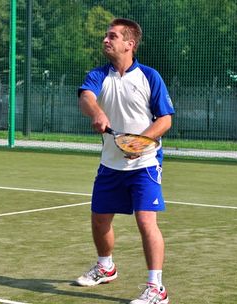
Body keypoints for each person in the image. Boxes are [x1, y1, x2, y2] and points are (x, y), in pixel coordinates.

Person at [76, 18, 174, 304]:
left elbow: (165, 119)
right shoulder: (98, 75)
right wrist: (96, 111)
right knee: (99, 221)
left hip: (144, 164)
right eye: (106, 36)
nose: (106, 40)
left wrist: (140, 143)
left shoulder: (149, 76)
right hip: (110, 164)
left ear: (129, 44)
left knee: (146, 221)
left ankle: (157, 288)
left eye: (113, 36)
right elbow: (86, 97)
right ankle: (106, 266)